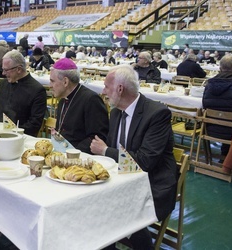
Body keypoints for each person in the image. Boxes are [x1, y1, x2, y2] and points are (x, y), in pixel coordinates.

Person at [90, 64, 177, 249]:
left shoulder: (157, 114)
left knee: (107, 208)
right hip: (123, 179)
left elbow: (145, 162)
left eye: (107, 86)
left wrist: (105, 151)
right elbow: (116, 153)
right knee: (89, 200)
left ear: (120, 89)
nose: (103, 91)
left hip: (152, 183)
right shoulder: (115, 113)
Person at [50, 58, 108, 154]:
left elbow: (97, 137)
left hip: (81, 156)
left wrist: (73, 152)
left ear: (65, 82)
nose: (50, 85)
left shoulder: (91, 100)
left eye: (52, 81)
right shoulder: (63, 99)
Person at [0, 50, 47, 137]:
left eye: (6, 70)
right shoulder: (3, 83)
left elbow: (34, 124)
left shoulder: (37, 90)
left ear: (19, 69)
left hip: (21, 137)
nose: (3, 73)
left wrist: (11, 133)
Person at [202, 54, 232, 159]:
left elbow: (204, 105)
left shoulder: (209, 84)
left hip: (211, 129)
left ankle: (226, 156)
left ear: (220, 68)